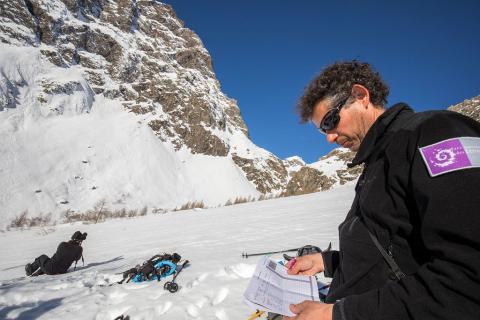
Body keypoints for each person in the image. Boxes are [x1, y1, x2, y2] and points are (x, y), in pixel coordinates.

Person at [285, 61, 480, 320]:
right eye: (323, 129)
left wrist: (337, 314)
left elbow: (468, 275)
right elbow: (394, 252)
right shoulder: (378, 162)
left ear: (361, 96)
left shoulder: (434, 134)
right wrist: (327, 262)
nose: (329, 137)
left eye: (331, 121)